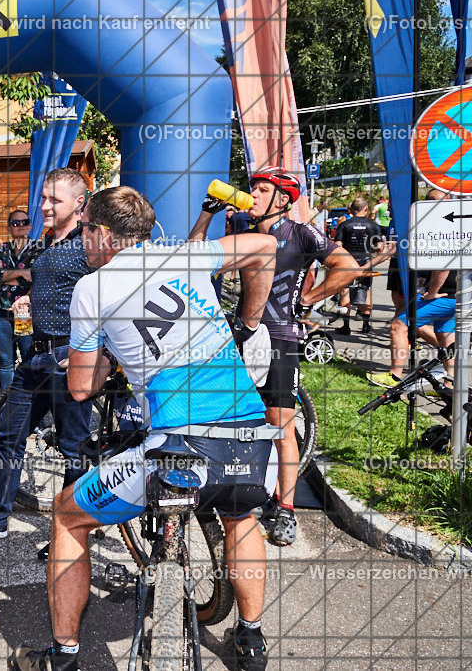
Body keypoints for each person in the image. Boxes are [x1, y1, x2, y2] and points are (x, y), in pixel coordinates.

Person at [8, 186, 280, 671]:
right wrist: (250, 322)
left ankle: (64, 655)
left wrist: (111, 359)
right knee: (241, 515)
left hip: (180, 444)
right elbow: (265, 247)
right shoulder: (183, 255)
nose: (83, 239)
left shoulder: (91, 288)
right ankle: (252, 639)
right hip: (251, 436)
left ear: (106, 235)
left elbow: (79, 389)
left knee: (67, 515)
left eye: (88, 229)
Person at [189, 166, 360, 547]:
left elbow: (347, 266)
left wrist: (309, 299)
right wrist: (207, 212)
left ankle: (286, 509)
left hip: (280, 337)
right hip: (239, 335)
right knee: (224, 417)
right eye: (252, 188)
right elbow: (193, 256)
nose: (253, 195)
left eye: (262, 190)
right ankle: (232, 488)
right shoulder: (243, 233)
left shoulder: (299, 232)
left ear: (282, 200)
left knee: (280, 425)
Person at [0, 168, 93, 559]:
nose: (44, 206)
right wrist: (30, 301)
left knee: (74, 448)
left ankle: (76, 531)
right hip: (36, 355)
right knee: (9, 434)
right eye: (43, 199)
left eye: (54, 200)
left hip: (70, 355)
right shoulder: (48, 244)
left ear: (79, 203)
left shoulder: (90, 247)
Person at [368, 191, 457, 388]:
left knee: (398, 326)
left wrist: (432, 292)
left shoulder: (440, 227)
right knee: (444, 337)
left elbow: (444, 266)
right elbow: (397, 247)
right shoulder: (453, 225)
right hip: (456, 294)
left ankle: (394, 376)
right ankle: (450, 386)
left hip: (442, 294)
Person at [0, 209, 41, 389]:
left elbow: (38, 278)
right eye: (15, 223)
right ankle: (6, 407)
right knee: (5, 361)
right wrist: (21, 273)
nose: (20, 226)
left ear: (30, 225)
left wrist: (8, 276)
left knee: (28, 359)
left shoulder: (39, 248)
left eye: (24, 222)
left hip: (24, 312)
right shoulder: (3, 248)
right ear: (9, 227)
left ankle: (29, 407)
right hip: (1, 312)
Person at [334, 197, 394, 334]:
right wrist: (369, 250)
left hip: (348, 263)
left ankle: (346, 327)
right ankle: (366, 326)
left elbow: (338, 245)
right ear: (366, 209)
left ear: (351, 210)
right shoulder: (373, 225)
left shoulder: (344, 225)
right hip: (366, 263)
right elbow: (379, 247)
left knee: (345, 292)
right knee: (366, 291)